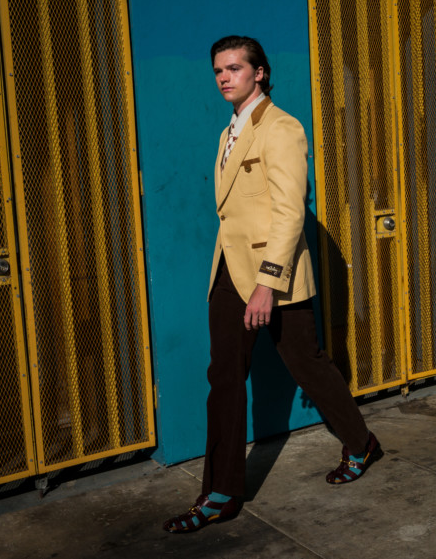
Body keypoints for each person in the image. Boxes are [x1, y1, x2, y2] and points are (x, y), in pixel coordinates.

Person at [163, 35, 380, 534]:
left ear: (259, 72)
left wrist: (267, 283)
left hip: (273, 275)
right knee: (224, 378)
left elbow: (289, 211)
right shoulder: (228, 132)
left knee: (308, 365)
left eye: (234, 68)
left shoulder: (282, 128)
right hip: (227, 271)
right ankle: (220, 493)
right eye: (218, 70)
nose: (224, 77)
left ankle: (361, 442)